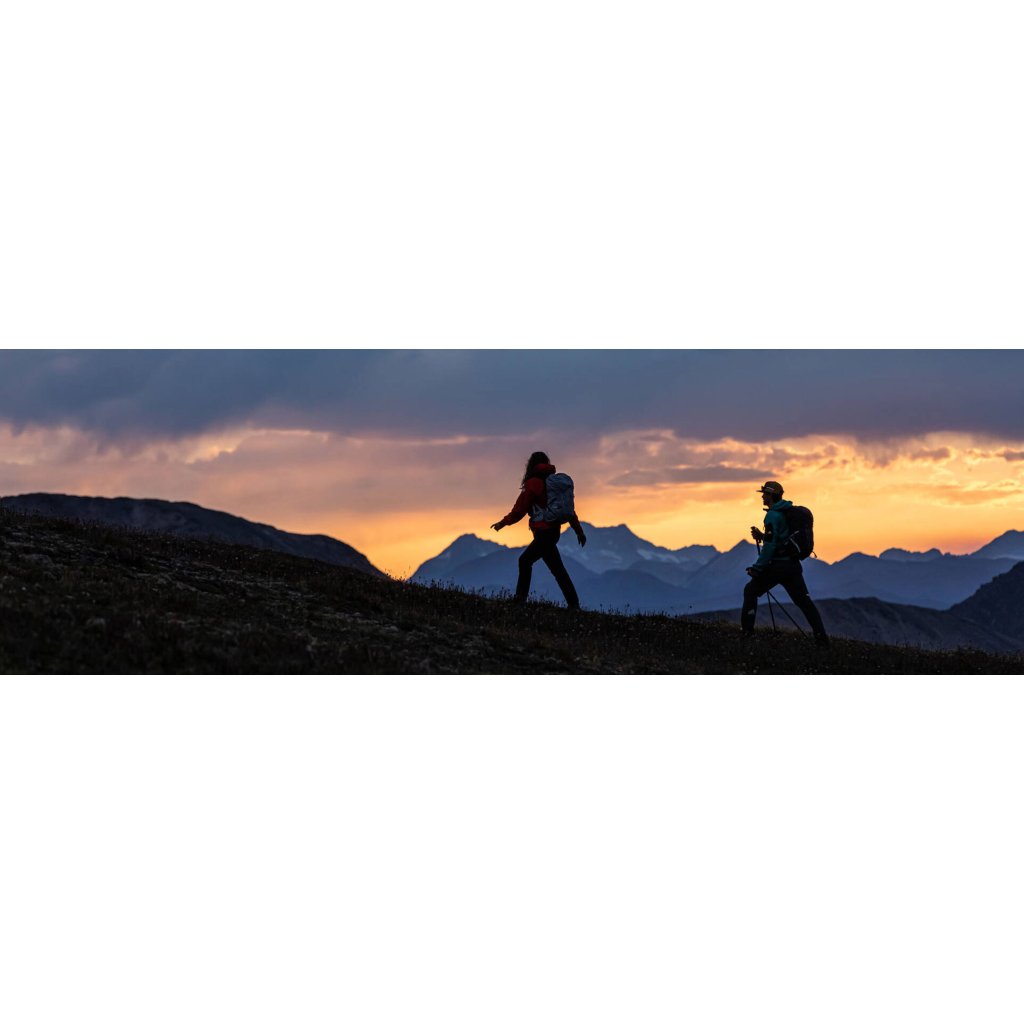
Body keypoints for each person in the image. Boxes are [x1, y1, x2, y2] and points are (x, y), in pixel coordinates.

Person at [491, 452, 586, 608]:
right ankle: (574, 605)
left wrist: (503, 523)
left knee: (524, 561)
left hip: (544, 533)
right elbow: (569, 511)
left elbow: (520, 509)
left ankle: (520, 600)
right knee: (558, 569)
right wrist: (579, 531)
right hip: (553, 532)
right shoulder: (552, 483)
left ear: (531, 465)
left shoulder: (534, 483)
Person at [742, 480, 829, 646]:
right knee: (804, 603)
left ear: (771, 495)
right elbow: (779, 538)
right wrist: (762, 536)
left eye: (765, 494)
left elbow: (770, 546)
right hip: (793, 566)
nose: (762, 497)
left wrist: (757, 568)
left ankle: (747, 634)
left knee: (750, 591)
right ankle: (822, 641)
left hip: (778, 566)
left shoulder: (772, 515)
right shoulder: (785, 512)